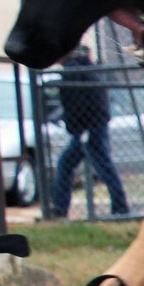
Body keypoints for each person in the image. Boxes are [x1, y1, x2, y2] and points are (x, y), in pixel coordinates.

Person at [49, 45, 129, 218]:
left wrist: (76, 127)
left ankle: (120, 208)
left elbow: (76, 103)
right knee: (67, 164)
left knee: (103, 167)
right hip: (90, 126)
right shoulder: (83, 68)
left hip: (87, 128)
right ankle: (60, 208)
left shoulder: (74, 71)